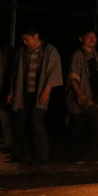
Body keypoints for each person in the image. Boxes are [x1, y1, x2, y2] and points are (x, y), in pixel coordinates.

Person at [7, 27, 63, 165]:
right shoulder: (23, 52)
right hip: (25, 92)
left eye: (27, 39)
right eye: (23, 40)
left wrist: (46, 91)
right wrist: (12, 91)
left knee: (36, 121)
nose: (25, 42)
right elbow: (16, 74)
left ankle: (43, 155)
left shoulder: (49, 50)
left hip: (39, 92)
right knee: (23, 121)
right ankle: (26, 154)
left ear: (36, 36)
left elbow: (53, 72)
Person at [66, 29, 98, 163]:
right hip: (80, 97)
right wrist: (79, 94)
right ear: (81, 39)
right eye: (89, 36)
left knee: (91, 127)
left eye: (94, 36)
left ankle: (89, 156)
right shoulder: (77, 55)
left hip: (93, 98)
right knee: (78, 127)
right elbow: (73, 77)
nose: (92, 39)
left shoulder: (97, 57)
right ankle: (76, 157)